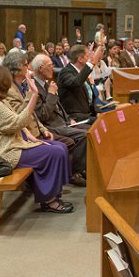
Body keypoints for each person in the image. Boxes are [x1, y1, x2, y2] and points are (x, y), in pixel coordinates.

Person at [0, 65, 72, 213]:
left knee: (60, 146)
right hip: (4, 153)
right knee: (55, 152)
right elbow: (17, 123)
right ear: (3, 83)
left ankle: (49, 194)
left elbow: (16, 119)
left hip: (14, 144)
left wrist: (29, 136)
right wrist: (34, 95)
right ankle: (49, 200)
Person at [29, 54, 89, 186]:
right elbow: (43, 115)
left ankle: (83, 167)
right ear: (40, 68)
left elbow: (59, 106)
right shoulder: (34, 88)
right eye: (50, 66)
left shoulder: (46, 84)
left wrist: (69, 119)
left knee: (92, 129)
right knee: (85, 135)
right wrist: (51, 94)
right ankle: (74, 172)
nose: (53, 68)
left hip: (63, 122)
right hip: (51, 127)